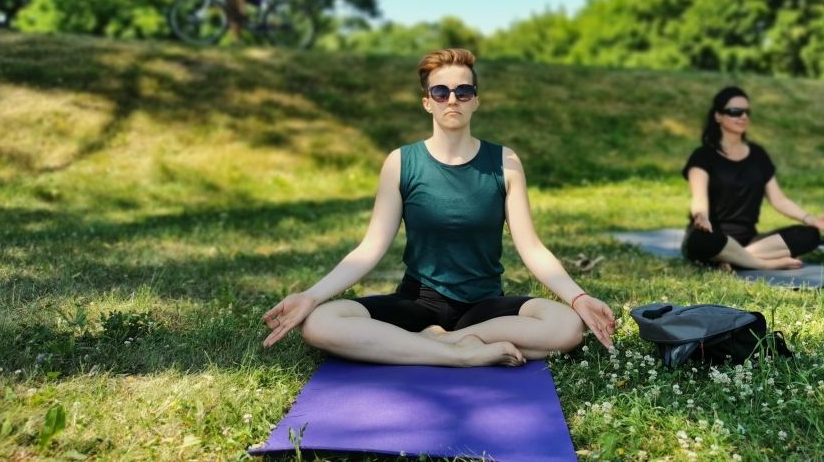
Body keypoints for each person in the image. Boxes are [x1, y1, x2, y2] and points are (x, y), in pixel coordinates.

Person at [261, 49, 617, 366]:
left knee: (567, 327)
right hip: (418, 302)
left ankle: (437, 342)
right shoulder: (401, 162)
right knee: (319, 323)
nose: (452, 100)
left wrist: (578, 298)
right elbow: (370, 248)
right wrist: (310, 296)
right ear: (427, 102)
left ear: (475, 101)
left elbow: (532, 248)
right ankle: (458, 353)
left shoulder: (505, 162)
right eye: (440, 92)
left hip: (484, 308)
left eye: (463, 91)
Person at [681, 86, 824, 271]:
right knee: (702, 240)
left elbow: (779, 200)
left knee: (810, 235)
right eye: (735, 111)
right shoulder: (703, 156)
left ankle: (733, 259)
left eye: (746, 112)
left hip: (751, 241)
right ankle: (761, 263)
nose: (743, 117)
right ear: (718, 116)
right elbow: (699, 198)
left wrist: (811, 219)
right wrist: (701, 217)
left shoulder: (758, 155)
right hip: (714, 236)